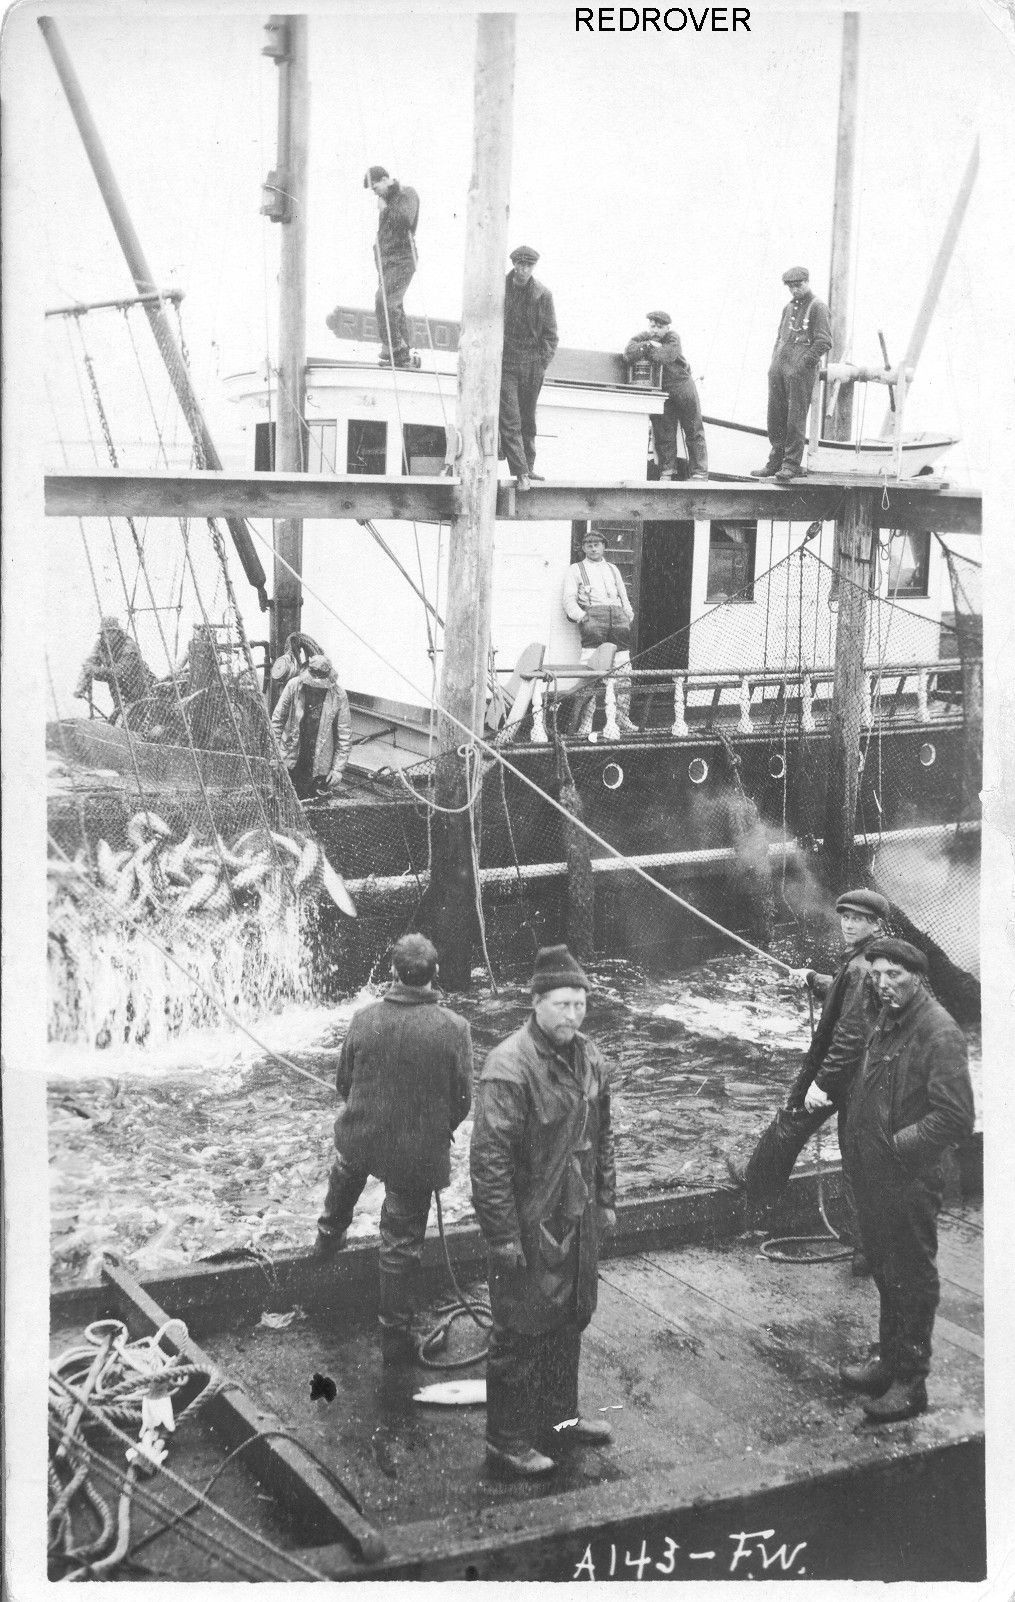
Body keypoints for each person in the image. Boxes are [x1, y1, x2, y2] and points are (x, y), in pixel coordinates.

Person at [470, 944, 617, 1479]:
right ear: (535, 1003)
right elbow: (488, 1162)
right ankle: (506, 1440)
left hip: (576, 1219)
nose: (573, 1016)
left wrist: (606, 1201)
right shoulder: (508, 1066)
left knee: (570, 1318)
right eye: (562, 1004)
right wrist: (503, 1236)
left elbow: (603, 1138)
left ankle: (559, 1421)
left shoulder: (591, 1058)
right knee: (519, 1328)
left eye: (580, 1005)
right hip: (531, 1220)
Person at [315, 933, 474, 1365]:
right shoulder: (455, 1028)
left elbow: (342, 1083)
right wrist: (434, 1128)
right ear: (434, 975)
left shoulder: (364, 1018)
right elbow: (463, 1101)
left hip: (363, 1134)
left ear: (392, 973)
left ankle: (326, 1243)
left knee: (347, 1171)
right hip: (417, 1151)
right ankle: (395, 1335)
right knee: (401, 1242)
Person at [839, 938, 974, 1423]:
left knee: (912, 1275)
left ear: (917, 975)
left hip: (910, 1177)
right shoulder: (887, 1018)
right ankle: (889, 1361)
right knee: (884, 1267)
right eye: (876, 975)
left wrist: (898, 1147)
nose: (883, 984)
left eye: (894, 975)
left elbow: (955, 1117)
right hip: (876, 1175)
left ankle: (911, 1382)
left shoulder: (938, 1032)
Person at [751, 267, 832, 484]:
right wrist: (774, 364)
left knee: (795, 418)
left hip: (799, 370)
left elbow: (824, 341)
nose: (794, 290)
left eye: (799, 285)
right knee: (775, 416)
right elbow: (779, 337)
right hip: (780, 367)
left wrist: (803, 364)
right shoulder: (787, 308)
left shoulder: (818, 307)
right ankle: (775, 461)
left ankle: (791, 464)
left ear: (807, 282)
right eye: (791, 286)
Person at [562, 529, 638, 736]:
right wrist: (581, 616)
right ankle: (585, 723)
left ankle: (622, 719)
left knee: (623, 671)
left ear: (604, 546)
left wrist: (627, 614)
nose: (593, 547)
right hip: (593, 621)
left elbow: (624, 595)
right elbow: (568, 599)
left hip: (618, 621)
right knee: (591, 673)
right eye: (589, 544)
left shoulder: (613, 569)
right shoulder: (576, 569)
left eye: (597, 544)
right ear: (583, 548)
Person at [499, 246, 559, 492]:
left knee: (528, 418)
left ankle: (529, 467)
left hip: (532, 364)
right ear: (514, 264)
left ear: (533, 267)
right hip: (507, 365)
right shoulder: (500, 288)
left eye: (528, 266)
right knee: (510, 418)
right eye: (519, 265)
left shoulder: (542, 294)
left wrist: (541, 363)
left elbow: (551, 335)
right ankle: (521, 472)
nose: (523, 270)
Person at [624, 310, 708, 479]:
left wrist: (652, 349)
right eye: (652, 326)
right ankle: (667, 473)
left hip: (683, 387)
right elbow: (628, 353)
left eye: (659, 327)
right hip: (663, 392)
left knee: (693, 430)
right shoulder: (645, 337)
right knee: (664, 432)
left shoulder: (673, 337)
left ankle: (699, 473)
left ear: (667, 327)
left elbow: (666, 356)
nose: (654, 330)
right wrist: (648, 345)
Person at [270, 653, 351, 800]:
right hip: (291, 758)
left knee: (314, 805)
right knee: (284, 800)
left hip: (320, 765)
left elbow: (344, 735)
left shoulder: (339, 695)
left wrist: (338, 769)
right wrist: (274, 755)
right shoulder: (293, 685)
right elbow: (277, 721)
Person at [363, 164, 420, 369]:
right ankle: (400, 352)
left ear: (386, 179)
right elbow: (384, 235)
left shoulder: (407, 194)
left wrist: (386, 210)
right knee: (394, 305)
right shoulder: (386, 201)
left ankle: (395, 346)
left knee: (384, 300)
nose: (375, 192)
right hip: (386, 261)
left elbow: (406, 219)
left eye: (375, 186)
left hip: (403, 259)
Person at [74, 617, 156, 717]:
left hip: (143, 691)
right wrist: (81, 687)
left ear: (117, 632)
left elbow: (120, 673)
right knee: (120, 719)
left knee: (142, 719)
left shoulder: (129, 646)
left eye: (110, 632)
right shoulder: (100, 645)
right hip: (120, 695)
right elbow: (89, 664)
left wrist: (96, 671)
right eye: (104, 634)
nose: (107, 636)